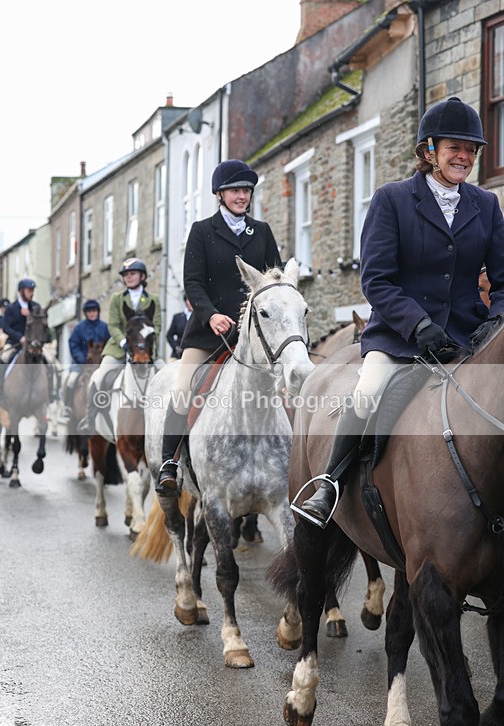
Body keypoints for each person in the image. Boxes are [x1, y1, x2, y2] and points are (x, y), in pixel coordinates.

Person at [294, 96, 504, 527]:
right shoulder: (392, 199)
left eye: (471, 149)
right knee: (368, 390)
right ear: (429, 151)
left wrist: (494, 325)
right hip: (399, 337)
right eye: (455, 147)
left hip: (466, 338)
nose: (464, 156)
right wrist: (418, 323)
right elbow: (376, 280)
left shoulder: (486, 205)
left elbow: (502, 281)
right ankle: (330, 485)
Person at [156, 158, 281, 496]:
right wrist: (210, 315)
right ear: (219, 194)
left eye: (246, 190)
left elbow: (275, 280)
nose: (242, 196)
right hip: (207, 334)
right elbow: (192, 283)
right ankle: (169, 462)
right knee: (183, 388)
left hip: (253, 337)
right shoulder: (201, 231)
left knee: (284, 390)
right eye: (235, 190)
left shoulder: (263, 233)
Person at [77, 258, 161, 433]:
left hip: (145, 350)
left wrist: (145, 344)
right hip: (118, 348)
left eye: (133, 274)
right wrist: (124, 342)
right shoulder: (116, 299)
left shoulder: (153, 299)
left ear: (142, 276)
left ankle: (169, 422)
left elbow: (157, 325)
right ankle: (90, 420)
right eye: (126, 275)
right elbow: (113, 325)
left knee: (165, 372)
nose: (129, 277)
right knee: (99, 377)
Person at [0, 278, 53, 401]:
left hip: (34, 344)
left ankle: (51, 391)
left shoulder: (36, 307)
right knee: (4, 358)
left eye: (33, 290)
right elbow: (6, 327)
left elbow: (41, 324)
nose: (32, 293)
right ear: (21, 291)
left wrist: (30, 314)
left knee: (49, 359)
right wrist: (20, 337)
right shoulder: (11, 308)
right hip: (16, 343)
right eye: (29, 290)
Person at [60, 299, 110, 422]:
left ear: (98, 312)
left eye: (94, 311)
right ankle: (68, 407)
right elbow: (73, 344)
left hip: (100, 364)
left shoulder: (105, 327)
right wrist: (82, 359)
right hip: (81, 362)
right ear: (85, 313)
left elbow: (109, 344)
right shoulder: (79, 328)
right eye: (89, 311)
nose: (92, 313)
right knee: (71, 381)